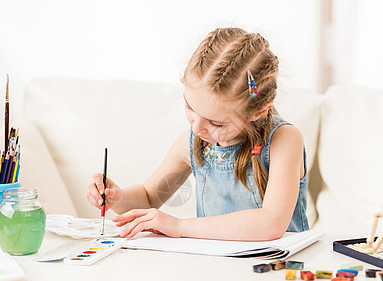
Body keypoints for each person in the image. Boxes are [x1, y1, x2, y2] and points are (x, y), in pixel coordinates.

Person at [87, 27, 309, 241]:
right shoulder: (194, 142)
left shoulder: (284, 140)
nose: (197, 128)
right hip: (213, 267)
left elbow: (270, 223)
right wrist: (118, 197)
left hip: (277, 270)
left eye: (216, 123)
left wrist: (180, 226)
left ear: (258, 111)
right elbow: (148, 197)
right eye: (190, 107)